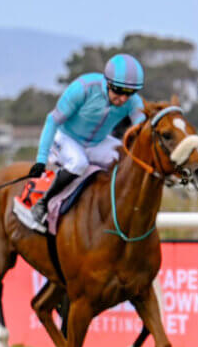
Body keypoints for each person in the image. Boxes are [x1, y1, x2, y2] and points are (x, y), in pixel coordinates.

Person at [28, 53, 147, 227]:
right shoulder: (84, 88)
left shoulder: (132, 101)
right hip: (66, 137)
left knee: (126, 159)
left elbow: (142, 128)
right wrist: (40, 160)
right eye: (119, 91)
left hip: (97, 142)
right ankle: (44, 203)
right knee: (79, 163)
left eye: (130, 93)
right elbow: (52, 120)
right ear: (107, 83)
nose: (123, 99)